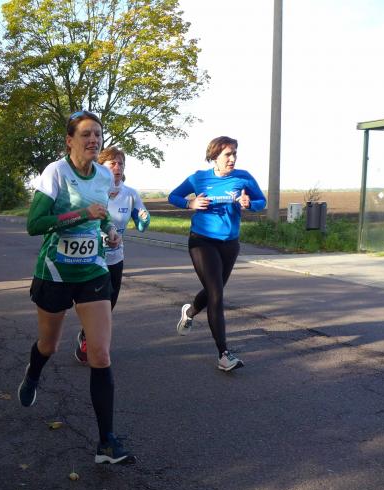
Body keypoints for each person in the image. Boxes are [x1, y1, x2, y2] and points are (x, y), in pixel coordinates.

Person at [17, 110, 134, 465]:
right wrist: (81, 215)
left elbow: (102, 216)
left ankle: (106, 443)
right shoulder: (56, 172)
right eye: (86, 134)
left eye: (97, 133)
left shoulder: (104, 175)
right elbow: (34, 224)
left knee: (101, 354)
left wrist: (109, 232)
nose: (93, 139)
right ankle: (33, 374)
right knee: (48, 345)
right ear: (70, 141)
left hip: (93, 271)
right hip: (54, 271)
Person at [168, 136, 266, 372]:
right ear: (214, 157)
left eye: (234, 154)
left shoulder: (243, 177)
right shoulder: (199, 178)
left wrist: (249, 203)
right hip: (202, 241)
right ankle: (223, 354)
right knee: (217, 294)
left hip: (230, 243)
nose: (232, 159)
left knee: (215, 289)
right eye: (227, 154)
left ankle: (190, 311)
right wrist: (190, 204)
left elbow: (261, 201)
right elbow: (173, 196)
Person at [74, 146, 150, 364]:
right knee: (94, 301)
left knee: (110, 302)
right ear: (101, 167)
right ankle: (88, 339)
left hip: (116, 257)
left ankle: (86, 334)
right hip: (91, 257)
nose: (118, 167)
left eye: (121, 163)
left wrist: (144, 219)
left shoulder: (130, 194)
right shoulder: (92, 190)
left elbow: (142, 226)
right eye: (112, 163)